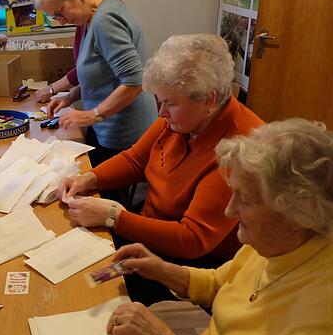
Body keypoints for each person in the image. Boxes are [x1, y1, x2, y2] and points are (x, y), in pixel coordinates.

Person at [105, 119, 333, 335]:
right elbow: (221, 282)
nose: (229, 210)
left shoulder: (328, 322)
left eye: (245, 199)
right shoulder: (285, 239)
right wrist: (160, 268)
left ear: (297, 214)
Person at [59, 34, 264, 304]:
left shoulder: (239, 149)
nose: (161, 113)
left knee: (85, 295)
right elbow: (134, 160)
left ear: (208, 100)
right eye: (160, 101)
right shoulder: (182, 120)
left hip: (192, 265)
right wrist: (89, 178)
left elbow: (192, 240)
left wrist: (114, 218)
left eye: (171, 103)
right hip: (148, 234)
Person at [35, 0, 157, 172]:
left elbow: (134, 82)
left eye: (59, 12)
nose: (60, 20)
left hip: (124, 134)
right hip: (110, 127)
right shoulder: (94, 15)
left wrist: (91, 115)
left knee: (107, 195)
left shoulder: (105, 20)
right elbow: (105, 73)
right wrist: (70, 96)